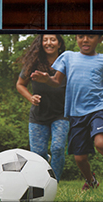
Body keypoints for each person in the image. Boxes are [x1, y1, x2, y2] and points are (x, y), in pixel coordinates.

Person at [31, 34, 103, 192]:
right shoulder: (68, 57)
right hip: (75, 113)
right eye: (81, 36)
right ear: (76, 38)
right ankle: (91, 181)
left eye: (91, 36)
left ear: (100, 39)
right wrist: (47, 80)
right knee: (80, 158)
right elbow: (56, 81)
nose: (85, 40)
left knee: (101, 143)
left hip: (98, 108)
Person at [16, 34, 70, 181]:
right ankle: (41, 180)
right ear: (40, 43)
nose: (48, 43)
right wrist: (30, 97)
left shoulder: (67, 62)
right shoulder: (33, 63)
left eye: (52, 39)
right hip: (39, 115)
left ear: (59, 43)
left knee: (58, 148)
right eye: (45, 40)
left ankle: (54, 181)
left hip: (61, 113)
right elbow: (20, 84)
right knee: (38, 153)